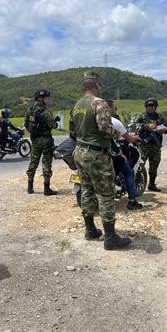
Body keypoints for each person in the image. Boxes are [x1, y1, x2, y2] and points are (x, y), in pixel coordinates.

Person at [70, 72, 132, 250]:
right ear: (96, 85)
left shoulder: (77, 105)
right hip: (97, 154)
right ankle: (110, 238)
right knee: (105, 194)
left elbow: (72, 132)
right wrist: (118, 134)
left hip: (80, 152)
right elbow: (105, 128)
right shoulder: (99, 103)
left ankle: (90, 229)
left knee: (87, 190)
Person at [106, 100, 143, 210]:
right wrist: (136, 138)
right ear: (110, 108)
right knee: (128, 172)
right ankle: (132, 201)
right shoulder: (114, 121)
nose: (115, 110)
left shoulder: (94, 120)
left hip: (95, 153)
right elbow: (129, 138)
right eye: (114, 107)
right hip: (111, 154)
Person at [24, 88, 59, 196]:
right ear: (41, 98)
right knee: (46, 163)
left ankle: (30, 187)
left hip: (34, 139)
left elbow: (26, 124)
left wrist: (34, 133)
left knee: (33, 162)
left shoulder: (30, 110)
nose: (48, 100)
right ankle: (46, 188)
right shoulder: (45, 111)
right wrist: (56, 122)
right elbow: (53, 125)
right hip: (46, 140)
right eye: (47, 98)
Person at [135, 96, 167, 192]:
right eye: (149, 106)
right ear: (146, 107)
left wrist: (163, 130)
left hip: (155, 146)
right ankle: (136, 183)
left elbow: (166, 127)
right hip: (144, 145)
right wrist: (146, 126)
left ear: (155, 107)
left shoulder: (160, 117)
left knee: (154, 166)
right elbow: (134, 126)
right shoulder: (142, 116)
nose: (151, 107)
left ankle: (152, 184)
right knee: (139, 165)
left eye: (153, 106)